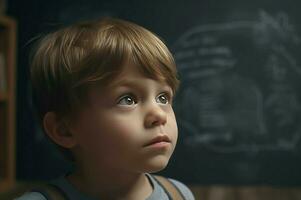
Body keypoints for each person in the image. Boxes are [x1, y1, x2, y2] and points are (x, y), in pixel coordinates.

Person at [16, 17, 195, 200]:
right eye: (127, 99)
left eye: (163, 97)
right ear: (64, 130)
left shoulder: (179, 194)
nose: (158, 114)